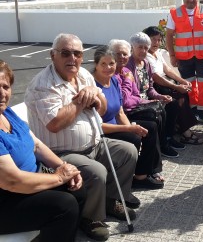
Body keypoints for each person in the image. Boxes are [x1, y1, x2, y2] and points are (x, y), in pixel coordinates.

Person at [24, 33, 139, 241]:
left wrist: (95, 97)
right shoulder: (43, 84)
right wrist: (80, 101)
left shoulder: (85, 75)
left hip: (95, 143)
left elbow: (102, 109)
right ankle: (91, 218)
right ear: (53, 55)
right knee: (97, 172)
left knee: (128, 152)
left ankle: (111, 200)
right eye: (65, 53)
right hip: (61, 152)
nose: (72, 58)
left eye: (77, 53)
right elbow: (55, 123)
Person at [0, 60, 85, 242]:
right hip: (6, 199)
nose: (2, 94)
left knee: (78, 190)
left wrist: (64, 166)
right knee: (64, 206)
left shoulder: (6, 113)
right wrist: (59, 177)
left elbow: (36, 144)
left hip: (25, 187)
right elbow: (13, 182)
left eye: (5, 87)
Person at [92, 45, 164, 189]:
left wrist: (131, 127)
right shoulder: (92, 85)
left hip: (117, 126)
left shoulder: (113, 80)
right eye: (103, 64)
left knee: (150, 127)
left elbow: (120, 113)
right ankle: (123, 183)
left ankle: (141, 175)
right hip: (102, 132)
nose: (108, 67)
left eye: (111, 63)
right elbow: (96, 125)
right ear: (96, 65)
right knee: (134, 138)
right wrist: (129, 129)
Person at [109, 39, 165, 182]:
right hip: (119, 116)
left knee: (158, 114)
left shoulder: (127, 71)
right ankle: (145, 172)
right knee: (151, 124)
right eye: (118, 54)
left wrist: (146, 101)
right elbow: (125, 101)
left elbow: (135, 96)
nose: (121, 57)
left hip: (129, 109)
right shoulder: (112, 75)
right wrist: (128, 82)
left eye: (124, 54)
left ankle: (152, 167)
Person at [123, 33, 186, 158]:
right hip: (135, 103)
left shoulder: (146, 63)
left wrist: (160, 97)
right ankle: (162, 145)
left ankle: (168, 137)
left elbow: (150, 89)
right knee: (158, 111)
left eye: (146, 48)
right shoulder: (128, 66)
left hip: (146, 100)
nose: (143, 51)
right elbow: (130, 96)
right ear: (132, 47)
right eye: (140, 47)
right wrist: (152, 102)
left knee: (173, 104)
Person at [143, 26, 202, 145]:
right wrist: (176, 87)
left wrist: (182, 81)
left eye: (159, 40)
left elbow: (167, 70)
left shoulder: (157, 53)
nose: (156, 43)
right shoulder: (146, 56)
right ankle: (185, 133)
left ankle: (181, 127)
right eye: (153, 39)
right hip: (155, 86)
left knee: (185, 94)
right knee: (178, 98)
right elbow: (156, 77)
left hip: (165, 81)